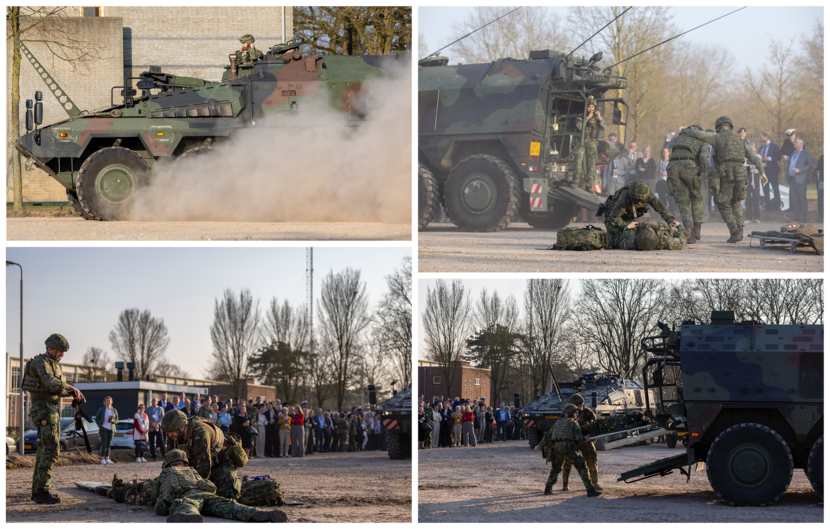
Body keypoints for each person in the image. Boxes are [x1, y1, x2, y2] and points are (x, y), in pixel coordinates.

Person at [22, 334, 85, 504]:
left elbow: (56, 389)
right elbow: (50, 382)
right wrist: (69, 387)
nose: (62, 355)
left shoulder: (53, 365)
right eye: (60, 351)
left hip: (50, 409)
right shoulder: (41, 362)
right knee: (51, 448)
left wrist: (73, 394)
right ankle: (42, 491)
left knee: (45, 448)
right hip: (44, 410)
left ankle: (38, 491)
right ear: (51, 348)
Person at [682, 117, 767, 243]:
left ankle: (734, 232)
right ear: (730, 126)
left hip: (727, 174)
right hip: (741, 175)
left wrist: (686, 129)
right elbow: (753, 156)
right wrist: (762, 171)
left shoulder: (717, 137)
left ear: (718, 127)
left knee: (721, 202)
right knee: (736, 202)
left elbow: (698, 134)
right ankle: (740, 230)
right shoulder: (740, 140)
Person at [150, 449, 287, 525]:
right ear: (184, 461)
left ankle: (189, 516)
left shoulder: (165, 474)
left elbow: (155, 498)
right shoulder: (192, 470)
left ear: (167, 463)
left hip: (187, 495)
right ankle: (255, 513)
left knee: (187, 506)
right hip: (206, 494)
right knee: (231, 507)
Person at [534, 408, 601, 497]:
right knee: (582, 465)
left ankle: (547, 489)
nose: (577, 414)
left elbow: (547, 436)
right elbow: (578, 438)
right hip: (568, 449)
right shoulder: (573, 423)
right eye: (576, 413)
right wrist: (585, 439)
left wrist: (538, 446)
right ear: (572, 413)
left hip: (556, 449)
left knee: (555, 469)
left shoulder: (557, 423)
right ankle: (590, 490)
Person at [600, 179, 679, 248]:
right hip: (613, 219)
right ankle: (608, 240)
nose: (639, 202)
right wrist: (626, 227)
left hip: (628, 218)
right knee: (623, 237)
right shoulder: (624, 197)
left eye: (641, 200)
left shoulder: (648, 195)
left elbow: (663, 210)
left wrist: (671, 221)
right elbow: (614, 217)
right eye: (637, 200)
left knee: (638, 232)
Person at [666, 124, 710, 243]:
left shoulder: (679, 138)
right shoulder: (702, 139)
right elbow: (704, 156)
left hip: (671, 166)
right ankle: (697, 230)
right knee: (695, 197)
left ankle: (689, 232)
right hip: (688, 165)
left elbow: (672, 150)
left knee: (683, 202)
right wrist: (701, 171)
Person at [561, 395, 602, 492]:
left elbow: (595, 425)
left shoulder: (587, 412)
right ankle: (565, 484)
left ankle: (595, 483)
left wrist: (591, 438)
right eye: (578, 405)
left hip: (586, 440)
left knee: (592, 459)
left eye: (581, 404)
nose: (580, 406)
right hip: (572, 440)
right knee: (567, 461)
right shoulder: (566, 412)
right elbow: (561, 426)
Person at [572, 96, 606, 192]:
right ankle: (575, 182)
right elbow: (580, 127)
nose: (591, 109)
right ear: (586, 107)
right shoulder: (581, 116)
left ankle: (589, 185)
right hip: (581, 141)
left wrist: (599, 118)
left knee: (591, 164)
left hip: (592, 142)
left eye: (592, 107)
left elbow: (604, 127)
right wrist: (587, 118)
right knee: (578, 161)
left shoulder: (598, 118)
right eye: (589, 107)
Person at [787, 138, 813, 224]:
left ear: (801, 144)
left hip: (801, 180)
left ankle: (803, 218)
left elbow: (810, 165)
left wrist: (800, 170)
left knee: (802, 199)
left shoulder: (806, 153)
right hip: (792, 179)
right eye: (794, 142)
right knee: (795, 200)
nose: (794, 143)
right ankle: (796, 217)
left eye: (796, 142)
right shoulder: (792, 153)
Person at [758, 131, 782, 211]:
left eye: (761, 137)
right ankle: (767, 207)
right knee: (765, 190)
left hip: (772, 171)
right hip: (764, 172)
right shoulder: (761, 148)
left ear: (766, 137)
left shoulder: (774, 146)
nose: (760, 138)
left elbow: (778, 157)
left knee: (775, 189)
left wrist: (769, 158)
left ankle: (778, 206)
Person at [95, 396, 119, 465]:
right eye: (107, 401)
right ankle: (103, 459)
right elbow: (97, 418)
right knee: (104, 444)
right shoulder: (101, 409)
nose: (108, 402)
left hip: (111, 429)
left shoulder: (114, 410)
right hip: (103, 428)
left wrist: (113, 420)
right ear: (105, 402)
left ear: (111, 402)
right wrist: (100, 425)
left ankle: (107, 458)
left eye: (109, 401)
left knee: (108, 445)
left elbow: (117, 420)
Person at [656, 147, 678, 217]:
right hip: (660, 182)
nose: (664, 153)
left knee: (670, 199)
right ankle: (664, 215)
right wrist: (656, 181)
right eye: (663, 152)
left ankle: (672, 214)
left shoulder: (671, 162)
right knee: (662, 199)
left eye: (666, 152)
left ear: (668, 153)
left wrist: (667, 173)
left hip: (668, 181)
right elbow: (658, 172)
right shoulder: (660, 162)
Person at [744, 142, 762, 224]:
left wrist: (751, 167)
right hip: (748, 177)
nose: (751, 149)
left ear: (755, 149)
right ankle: (748, 217)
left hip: (755, 177)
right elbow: (744, 166)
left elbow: (759, 165)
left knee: (756, 197)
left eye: (753, 148)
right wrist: (751, 166)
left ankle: (757, 217)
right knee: (748, 198)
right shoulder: (745, 157)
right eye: (750, 148)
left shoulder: (758, 156)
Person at [780, 129, 798, 211]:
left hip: (798, 169)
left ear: (794, 135)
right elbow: (781, 151)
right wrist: (786, 157)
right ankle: (792, 207)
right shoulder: (786, 142)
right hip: (790, 168)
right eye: (788, 137)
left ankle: (798, 208)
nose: (790, 139)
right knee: (791, 187)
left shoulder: (799, 142)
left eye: (791, 137)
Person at [147, 398, 166, 462]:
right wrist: (152, 423)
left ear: (157, 402)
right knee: (151, 443)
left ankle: (164, 456)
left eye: (155, 401)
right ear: (151, 402)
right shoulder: (148, 409)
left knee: (161, 442)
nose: (154, 402)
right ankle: (153, 456)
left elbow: (162, 417)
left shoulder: (160, 408)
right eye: (153, 400)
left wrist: (156, 423)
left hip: (158, 427)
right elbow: (146, 417)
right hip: (151, 427)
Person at [817, 144, 826, 222]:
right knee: (820, 200)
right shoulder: (822, 157)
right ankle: (821, 217)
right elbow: (817, 168)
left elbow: (821, 168)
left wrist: (822, 171)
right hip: (821, 182)